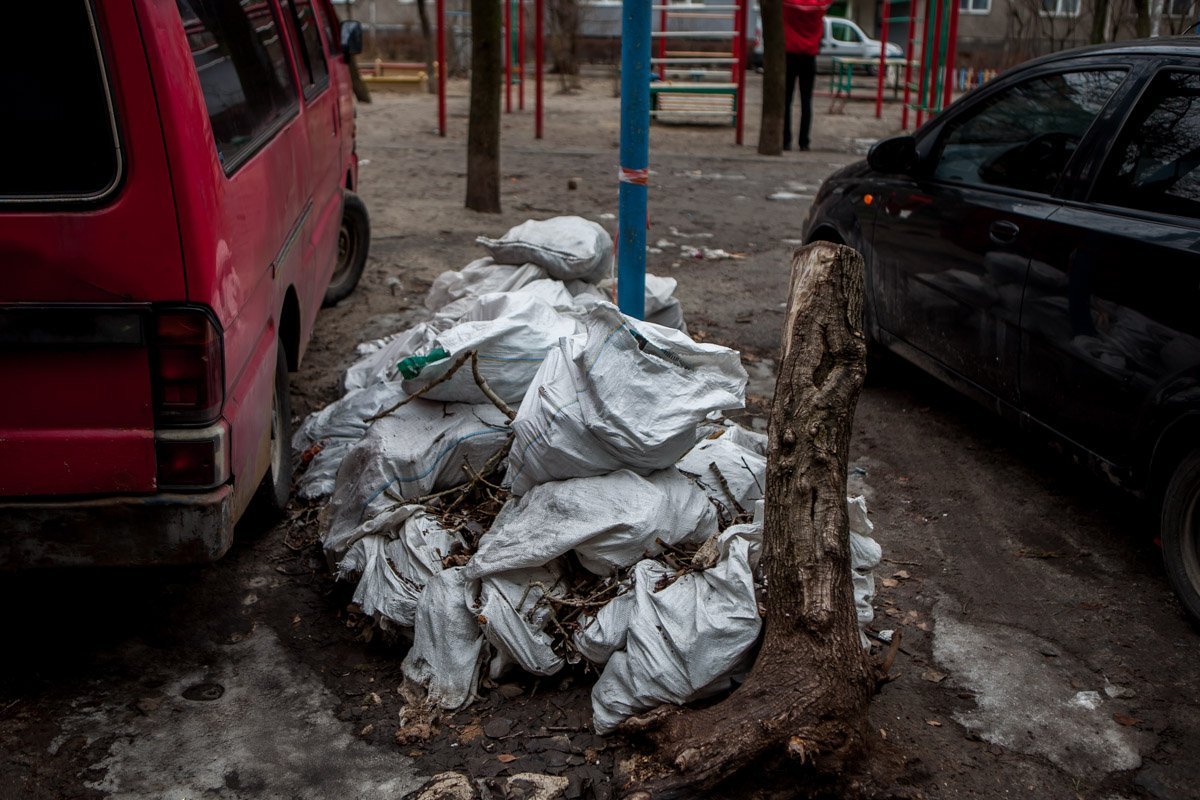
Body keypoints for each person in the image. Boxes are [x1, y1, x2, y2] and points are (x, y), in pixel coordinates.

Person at [782, 0, 831, 151]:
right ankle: (804, 142)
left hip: (789, 54)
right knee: (806, 101)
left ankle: (785, 141)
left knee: (786, 100)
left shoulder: (787, 4)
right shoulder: (819, 5)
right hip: (809, 57)